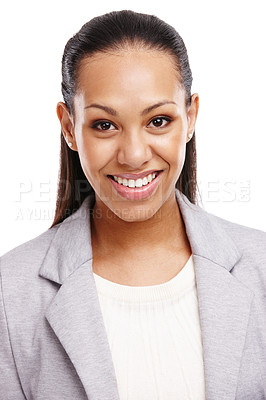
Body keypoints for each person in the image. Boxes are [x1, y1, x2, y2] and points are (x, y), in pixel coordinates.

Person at [0, 9, 265, 400]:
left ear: (190, 117)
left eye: (158, 120)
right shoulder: (10, 293)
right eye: (104, 125)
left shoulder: (260, 267)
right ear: (70, 127)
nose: (134, 155)